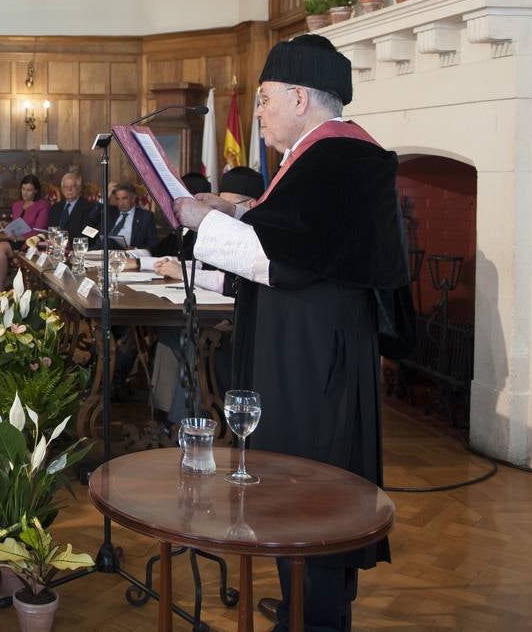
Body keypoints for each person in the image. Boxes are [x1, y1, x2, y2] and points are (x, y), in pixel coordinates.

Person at [173, 34, 407, 632]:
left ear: (300, 98)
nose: (258, 112)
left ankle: (315, 614)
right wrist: (235, 212)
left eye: (264, 98)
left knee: (308, 488)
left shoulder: (339, 158)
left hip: (311, 358)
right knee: (294, 483)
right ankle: (304, 604)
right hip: (305, 346)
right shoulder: (320, 156)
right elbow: (295, 232)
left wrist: (205, 222)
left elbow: (285, 259)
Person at [0, 174, 48, 303]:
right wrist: (6, 225)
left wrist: (18, 237)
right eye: (23, 189)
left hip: (29, 243)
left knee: (0, 247)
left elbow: (39, 232)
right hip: (14, 240)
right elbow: (17, 224)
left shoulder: (43, 206)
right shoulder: (17, 205)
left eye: (29, 190)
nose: (25, 193)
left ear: (36, 190)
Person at [99, 181, 161, 253]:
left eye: (124, 198)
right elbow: (92, 218)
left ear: (133, 198)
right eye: (117, 199)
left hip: (129, 256)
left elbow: (154, 245)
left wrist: (135, 249)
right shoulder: (110, 212)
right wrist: (105, 197)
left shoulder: (145, 217)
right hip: (105, 253)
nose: (121, 203)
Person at [47, 172, 101, 240]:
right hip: (57, 247)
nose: (69, 190)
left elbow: (90, 233)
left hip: (78, 247)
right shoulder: (55, 208)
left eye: (73, 186)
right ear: (62, 189)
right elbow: (51, 230)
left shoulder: (90, 207)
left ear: (79, 188)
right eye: (66, 187)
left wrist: (68, 241)